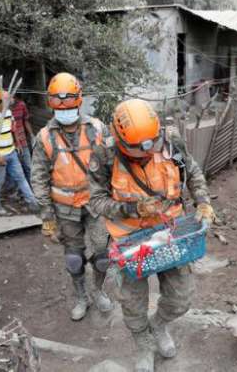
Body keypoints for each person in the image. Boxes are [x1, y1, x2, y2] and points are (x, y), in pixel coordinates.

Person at [88, 99, 215, 372]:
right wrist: (131, 208)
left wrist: (203, 201)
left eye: (151, 146)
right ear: (121, 141)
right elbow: (95, 201)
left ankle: (159, 326)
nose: (146, 154)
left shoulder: (170, 144)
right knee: (132, 303)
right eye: (137, 151)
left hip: (171, 234)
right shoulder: (106, 156)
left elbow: (191, 172)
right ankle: (143, 344)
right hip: (130, 241)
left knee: (181, 297)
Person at [31, 72, 114, 321]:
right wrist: (47, 216)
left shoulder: (97, 128)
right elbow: (39, 178)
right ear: (52, 105)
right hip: (65, 209)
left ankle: (98, 291)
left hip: (96, 205)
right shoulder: (44, 137)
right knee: (74, 258)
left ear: (79, 102)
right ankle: (81, 297)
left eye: (69, 105)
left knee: (102, 256)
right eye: (60, 106)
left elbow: (114, 165)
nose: (65, 111)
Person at [0, 90, 40, 215]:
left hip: (11, 151)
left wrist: (17, 143)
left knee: (21, 178)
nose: (10, 103)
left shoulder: (7, 112)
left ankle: (33, 203)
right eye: (7, 101)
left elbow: (13, 129)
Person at [11, 94, 34, 182]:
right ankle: (15, 191)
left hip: (22, 140)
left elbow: (26, 120)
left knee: (28, 166)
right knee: (15, 170)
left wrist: (31, 135)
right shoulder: (4, 108)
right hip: (10, 143)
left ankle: (31, 187)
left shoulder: (21, 105)